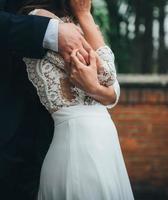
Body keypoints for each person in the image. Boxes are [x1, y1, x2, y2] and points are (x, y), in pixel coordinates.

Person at [23, 0, 135, 199]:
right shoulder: (41, 17)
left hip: (104, 140)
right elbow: (107, 76)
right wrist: (86, 15)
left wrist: (93, 88)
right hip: (78, 141)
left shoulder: (76, 24)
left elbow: (113, 93)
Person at [0, 0, 90, 199]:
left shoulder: (75, 18)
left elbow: (108, 84)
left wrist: (84, 15)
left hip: (66, 136)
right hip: (11, 132)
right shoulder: (38, 15)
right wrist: (49, 32)